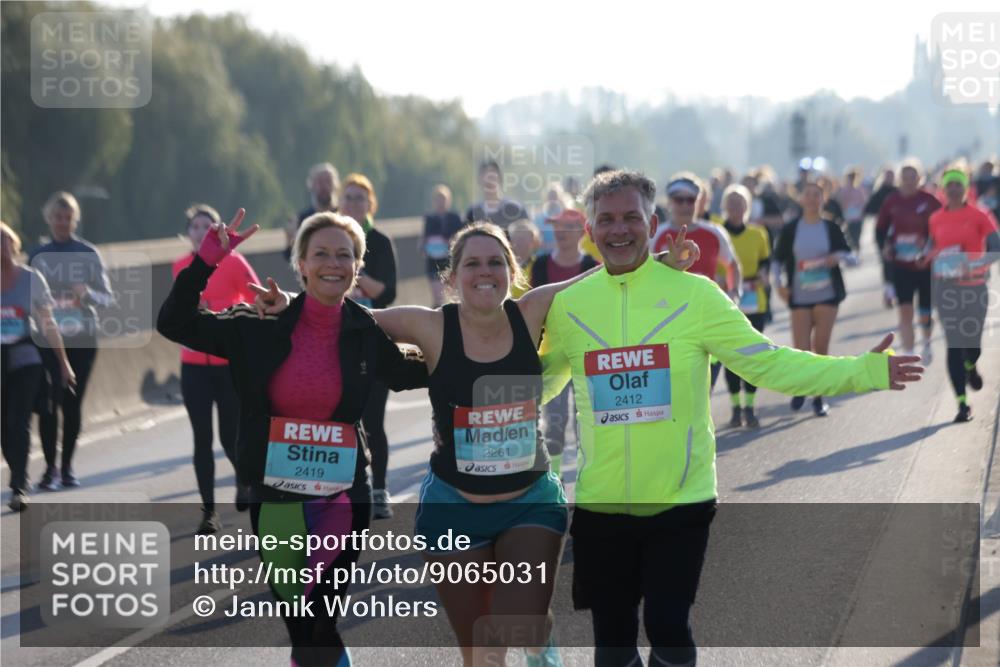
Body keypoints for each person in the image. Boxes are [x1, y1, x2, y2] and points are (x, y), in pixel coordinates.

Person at [252, 221, 699, 667]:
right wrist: (287, 302)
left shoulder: (532, 311)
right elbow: (339, 314)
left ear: (511, 270)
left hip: (530, 501)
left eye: (494, 262)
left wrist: (661, 262)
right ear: (452, 277)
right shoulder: (427, 325)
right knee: (483, 652)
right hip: (453, 506)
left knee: (522, 618)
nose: (484, 272)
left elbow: (597, 279)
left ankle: (541, 653)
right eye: (471, 263)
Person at [540, 169, 924, 667]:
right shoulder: (569, 307)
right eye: (606, 220)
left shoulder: (696, 296)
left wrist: (863, 372)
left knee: (668, 627)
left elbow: (769, 362)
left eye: (631, 217)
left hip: (680, 500)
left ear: (652, 222)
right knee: (611, 645)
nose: (619, 230)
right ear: (590, 231)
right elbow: (538, 384)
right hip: (600, 504)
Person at [158, 209, 427, 666]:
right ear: (300, 263)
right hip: (276, 494)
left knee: (319, 617)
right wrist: (204, 264)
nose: (333, 263)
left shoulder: (363, 331)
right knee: (300, 625)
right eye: (320, 253)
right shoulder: (257, 326)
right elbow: (175, 324)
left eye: (344, 255)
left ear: (357, 267)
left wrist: (478, 342)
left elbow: (409, 373)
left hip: (342, 497)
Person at [172, 204, 260, 534]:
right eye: (195, 227)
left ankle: (245, 479)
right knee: (201, 438)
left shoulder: (234, 262)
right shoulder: (180, 265)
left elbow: (256, 298)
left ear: (218, 233)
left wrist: (223, 312)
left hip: (227, 364)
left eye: (207, 227)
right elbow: (175, 310)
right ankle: (209, 512)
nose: (200, 232)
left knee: (229, 436)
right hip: (193, 365)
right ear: (188, 233)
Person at [29, 191, 114, 489]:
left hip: (82, 339)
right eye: (57, 217)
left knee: (72, 404)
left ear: (74, 220)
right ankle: (49, 468)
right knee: (50, 402)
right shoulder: (37, 256)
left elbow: (108, 299)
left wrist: (86, 294)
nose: (62, 223)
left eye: (67, 218)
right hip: (46, 339)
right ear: (49, 219)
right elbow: (25, 296)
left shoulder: (88, 253)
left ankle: (67, 468)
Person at [2, 222, 75, 511]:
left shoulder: (31, 279)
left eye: (4, 240)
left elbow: (48, 323)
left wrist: (63, 363)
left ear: (14, 244)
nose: (0, 247)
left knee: (18, 421)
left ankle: (19, 485)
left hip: (25, 357)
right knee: (3, 427)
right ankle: (18, 473)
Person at [339, 173, 399, 519]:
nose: (353, 203)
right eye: (348, 197)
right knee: (342, 420)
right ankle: (345, 489)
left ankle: (379, 489)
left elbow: (387, 293)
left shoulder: (380, 241)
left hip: (374, 341)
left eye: (360, 198)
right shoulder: (330, 239)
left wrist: (353, 273)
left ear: (370, 205)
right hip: (337, 341)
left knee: (373, 421)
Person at [651, 174, 742, 389]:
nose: (684, 205)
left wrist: (734, 295)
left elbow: (732, 266)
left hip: (707, 316)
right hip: (669, 321)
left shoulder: (714, 233)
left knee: (704, 385)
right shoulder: (657, 235)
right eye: (678, 199)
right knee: (677, 386)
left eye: (689, 200)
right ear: (669, 201)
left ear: (699, 202)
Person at [926, 169, 1000, 422]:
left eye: (959, 184)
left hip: (975, 287)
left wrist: (974, 265)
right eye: (950, 185)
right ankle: (962, 404)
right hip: (946, 288)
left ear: (966, 187)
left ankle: (971, 365)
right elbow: (932, 245)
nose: (954, 189)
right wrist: (925, 255)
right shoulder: (935, 218)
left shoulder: (980, 215)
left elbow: (996, 248)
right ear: (944, 190)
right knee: (953, 344)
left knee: (972, 343)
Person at [773, 181, 853, 416]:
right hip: (799, 294)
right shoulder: (791, 229)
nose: (811, 199)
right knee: (801, 349)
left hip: (827, 293)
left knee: (821, 347)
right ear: (801, 199)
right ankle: (801, 388)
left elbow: (851, 255)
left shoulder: (830, 227)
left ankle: (819, 396)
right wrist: (779, 286)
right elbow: (777, 261)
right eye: (807, 195)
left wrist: (836, 257)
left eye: (816, 195)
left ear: (823, 198)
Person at [530, 209, 598, 475]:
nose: (560, 233)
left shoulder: (592, 266)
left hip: (585, 354)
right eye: (556, 227)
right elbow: (529, 306)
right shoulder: (539, 265)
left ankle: (588, 481)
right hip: (551, 355)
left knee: (588, 423)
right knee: (555, 424)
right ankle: (555, 482)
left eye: (568, 227)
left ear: (582, 233)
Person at [876, 161, 942, 362]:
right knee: (905, 309)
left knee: (925, 309)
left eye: (913, 176)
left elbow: (942, 226)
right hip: (901, 264)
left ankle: (927, 343)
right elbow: (880, 230)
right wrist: (885, 247)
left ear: (919, 179)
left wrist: (931, 247)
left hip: (925, 264)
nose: (909, 181)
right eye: (905, 177)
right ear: (899, 179)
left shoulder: (929, 200)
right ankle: (909, 351)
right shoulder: (891, 201)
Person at [720, 185, 771, 428]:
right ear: (724, 207)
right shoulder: (719, 232)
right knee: (731, 356)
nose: (736, 208)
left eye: (740, 203)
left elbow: (766, 263)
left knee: (753, 353)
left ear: (747, 206)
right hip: (727, 297)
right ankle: (735, 408)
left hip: (754, 299)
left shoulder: (758, 233)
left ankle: (750, 407)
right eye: (731, 203)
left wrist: (763, 276)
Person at [284, 162, 340, 261]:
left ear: (336, 184)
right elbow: (290, 258)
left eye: (328, 181)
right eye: (319, 182)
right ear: (311, 185)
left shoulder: (344, 216)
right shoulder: (302, 219)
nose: (324, 186)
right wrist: (291, 240)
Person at [421, 184, 464, 307]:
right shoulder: (429, 218)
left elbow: (462, 237)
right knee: (438, 298)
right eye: (438, 200)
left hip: (451, 261)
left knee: (453, 298)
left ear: (449, 201)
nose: (441, 203)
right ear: (434, 201)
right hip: (433, 261)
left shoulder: (455, 218)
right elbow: (425, 238)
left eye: (443, 199)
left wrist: (449, 241)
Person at [865, 167, 899, 308]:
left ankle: (899, 289)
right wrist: (882, 212)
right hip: (882, 231)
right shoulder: (878, 193)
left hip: (899, 231)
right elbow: (868, 210)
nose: (889, 178)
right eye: (887, 175)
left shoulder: (899, 192)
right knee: (886, 261)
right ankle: (889, 292)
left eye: (892, 175)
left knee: (899, 262)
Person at [466, 159, 529, 231]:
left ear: (500, 178)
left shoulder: (515, 210)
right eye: (484, 174)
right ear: (479, 180)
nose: (488, 180)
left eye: (492, 175)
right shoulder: (473, 213)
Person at [836, 168, 867, 257]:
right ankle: (852, 252)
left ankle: (857, 253)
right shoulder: (844, 190)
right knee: (850, 236)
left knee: (857, 236)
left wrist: (861, 210)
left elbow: (863, 202)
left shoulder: (860, 189)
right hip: (848, 217)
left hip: (858, 217)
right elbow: (841, 202)